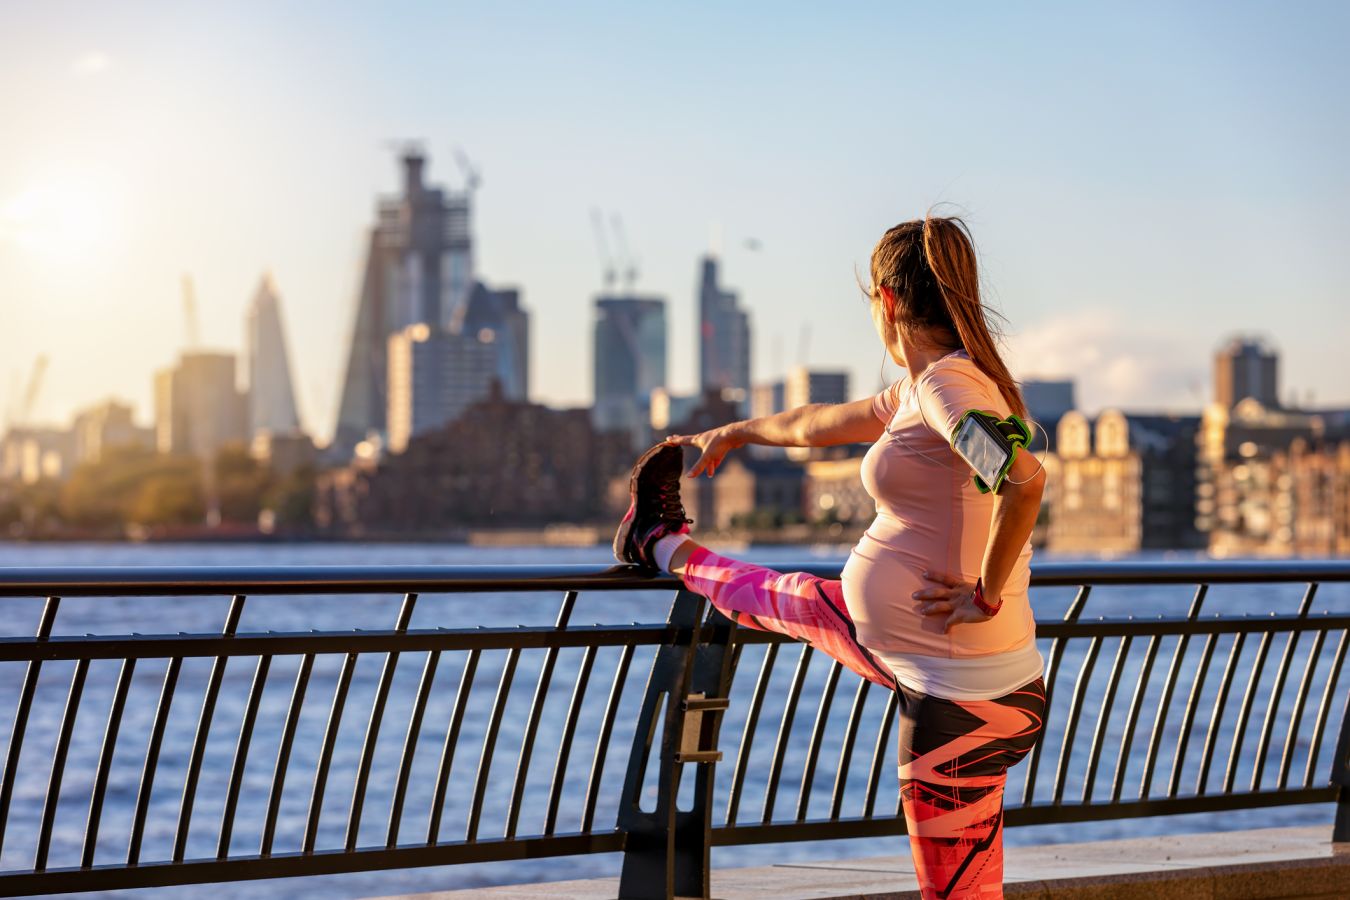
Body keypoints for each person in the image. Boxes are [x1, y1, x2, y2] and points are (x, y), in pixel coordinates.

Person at [612, 216, 1047, 899]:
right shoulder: (926, 387)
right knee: (787, 598)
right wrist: (738, 432)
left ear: (888, 301)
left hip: (958, 699)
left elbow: (1024, 481)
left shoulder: (945, 391)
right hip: (955, 669)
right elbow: (816, 424)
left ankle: (658, 542)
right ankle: (659, 540)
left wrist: (984, 593)